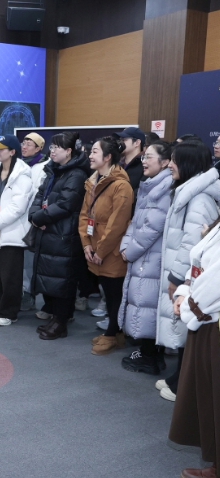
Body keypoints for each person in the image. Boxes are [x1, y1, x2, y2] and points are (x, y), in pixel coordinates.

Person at [156, 141, 220, 401]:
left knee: (187, 325)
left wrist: (177, 278)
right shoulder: (188, 192)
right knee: (183, 326)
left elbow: (192, 244)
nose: (170, 165)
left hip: (187, 277)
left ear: (189, 164)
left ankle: (183, 384)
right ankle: (179, 378)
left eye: (174, 160)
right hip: (182, 274)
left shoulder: (199, 198)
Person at [168, 219, 220, 478]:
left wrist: (190, 307)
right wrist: (184, 293)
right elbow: (199, 262)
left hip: (210, 315)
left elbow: (216, 280)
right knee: (211, 397)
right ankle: (216, 466)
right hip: (207, 318)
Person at [117, 141, 173, 374]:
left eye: (149, 157)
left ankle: (150, 357)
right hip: (143, 256)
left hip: (152, 257)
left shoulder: (165, 187)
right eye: (144, 157)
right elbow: (136, 222)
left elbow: (152, 228)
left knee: (147, 304)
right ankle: (148, 353)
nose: (144, 161)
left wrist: (129, 251)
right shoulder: (149, 184)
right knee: (144, 304)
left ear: (165, 162)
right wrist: (126, 244)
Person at [28, 131, 90, 340]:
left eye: (57, 148)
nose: (52, 151)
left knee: (63, 280)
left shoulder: (77, 174)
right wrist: (34, 216)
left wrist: (40, 218)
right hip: (49, 231)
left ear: (69, 151)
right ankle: (55, 317)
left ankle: (61, 322)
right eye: (52, 147)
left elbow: (66, 204)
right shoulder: (53, 170)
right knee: (50, 277)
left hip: (64, 234)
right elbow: (40, 195)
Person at [78, 137, 134, 355]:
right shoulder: (92, 182)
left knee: (114, 294)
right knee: (108, 292)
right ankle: (114, 333)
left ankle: (113, 334)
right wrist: (86, 244)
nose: (90, 155)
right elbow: (84, 216)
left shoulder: (121, 186)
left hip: (112, 251)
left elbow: (117, 224)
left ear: (108, 157)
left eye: (94, 152)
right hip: (95, 249)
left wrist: (100, 250)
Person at [0, 134, 33, 326]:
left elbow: (17, 208)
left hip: (11, 231)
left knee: (10, 275)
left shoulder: (23, 175)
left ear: (12, 152)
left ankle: (9, 313)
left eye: (2, 149)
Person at [20, 132, 49, 312]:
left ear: (39, 148)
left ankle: (29, 293)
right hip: (17, 218)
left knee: (30, 261)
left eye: (29, 144)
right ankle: (22, 291)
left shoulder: (45, 166)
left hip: (33, 219)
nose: (24, 147)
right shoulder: (18, 164)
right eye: (23, 143)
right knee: (21, 261)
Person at [117, 126, 145, 195]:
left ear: (137, 143)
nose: (121, 143)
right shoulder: (118, 164)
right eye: (120, 140)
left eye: (124, 140)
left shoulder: (144, 165)